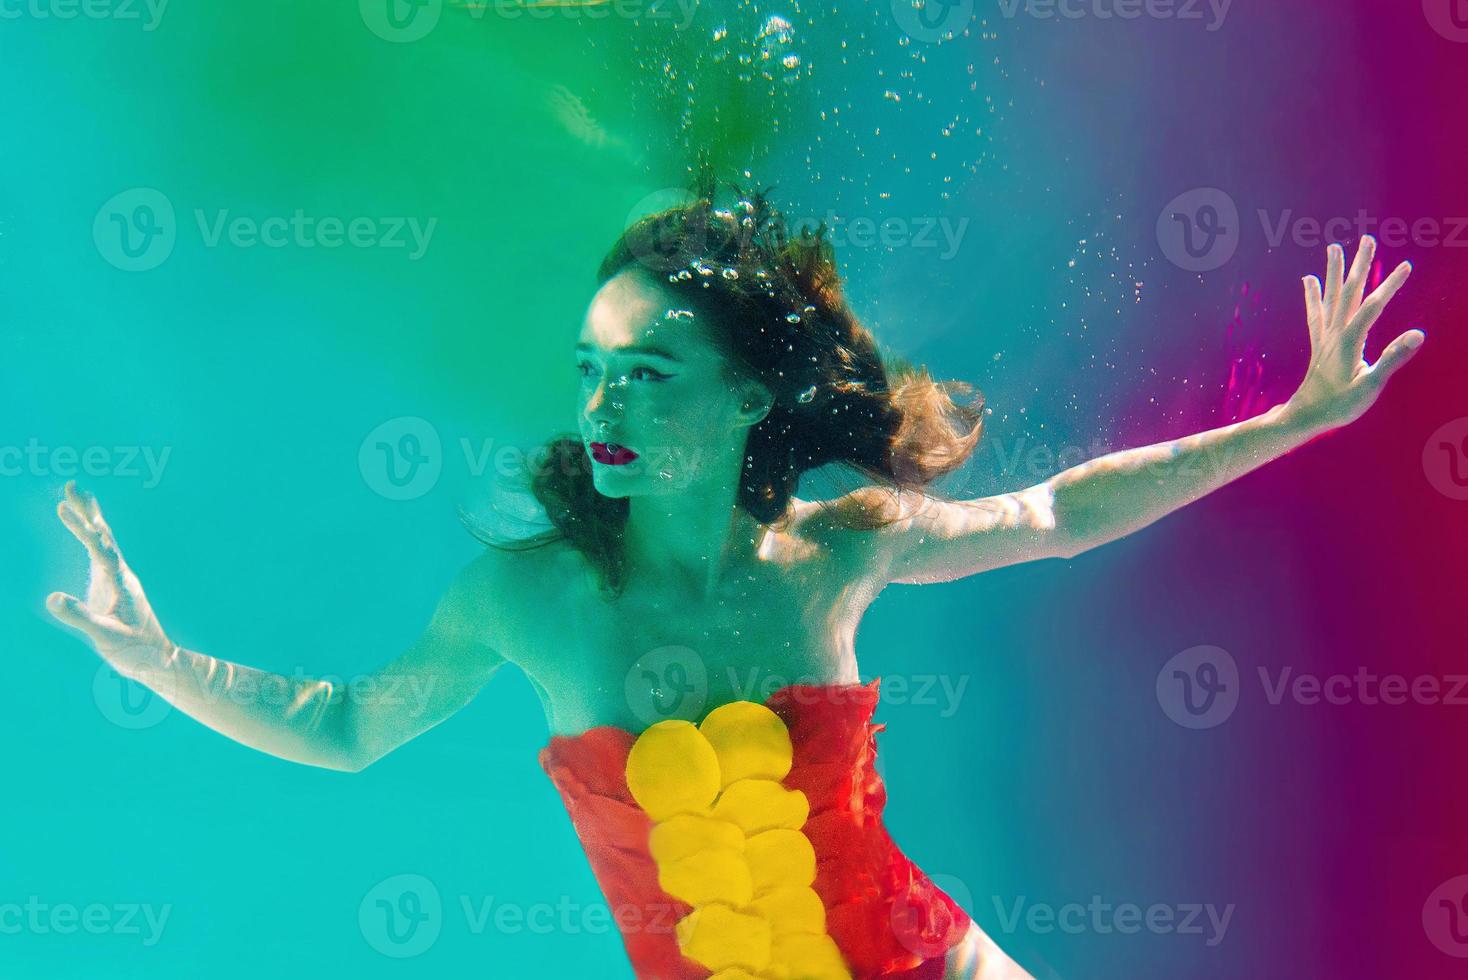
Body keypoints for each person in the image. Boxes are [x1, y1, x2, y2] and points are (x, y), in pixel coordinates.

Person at [45, 168, 1422, 979]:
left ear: (752, 400)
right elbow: (345, 730)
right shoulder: (532, 600)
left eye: (645, 376)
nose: (601, 410)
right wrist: (158, 659)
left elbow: (1058, 510)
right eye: (590, 371)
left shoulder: (830, 559)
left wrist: (1291, 420)